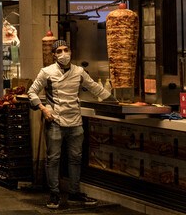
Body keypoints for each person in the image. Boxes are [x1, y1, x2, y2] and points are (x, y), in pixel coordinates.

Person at [28, 40, 118, 209]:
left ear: (70, 51)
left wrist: (115, 102)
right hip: (55, 120)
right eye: (59, 51)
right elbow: (32, 91)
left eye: (66, 50)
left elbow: (94, 88)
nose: (63, 54)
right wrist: (43, 109)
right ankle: (54, 194)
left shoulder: (79, 71)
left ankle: (74, 192)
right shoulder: (46, 72)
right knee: (53, 159)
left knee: (76, 159)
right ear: (54, 55)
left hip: (75, 121)